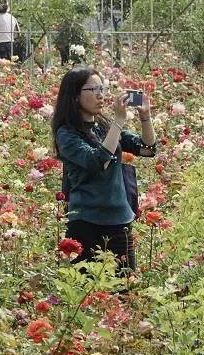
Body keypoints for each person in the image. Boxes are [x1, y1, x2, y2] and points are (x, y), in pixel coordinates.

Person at [52, 65, 157, 276]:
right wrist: (118, 121)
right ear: (74, 96)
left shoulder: (103, 126)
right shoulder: (67, 134)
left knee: (123, 291)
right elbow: (98, 161)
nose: (101, 96)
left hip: (119, 221)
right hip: (86, 224)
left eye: (103, 89)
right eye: (94, 90)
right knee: (86, 294)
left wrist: (145, 117)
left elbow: (147, 149)